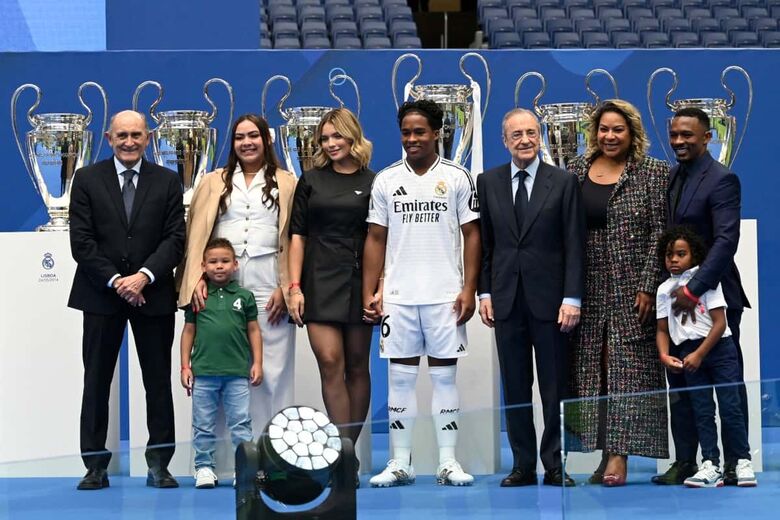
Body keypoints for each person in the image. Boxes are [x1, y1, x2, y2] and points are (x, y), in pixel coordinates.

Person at [363, 100, 481, 487]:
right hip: (398, 297)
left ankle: (448, 462)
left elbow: (472, 235)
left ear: (437, 134)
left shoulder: (458, 177)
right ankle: (401, 463)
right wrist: (372, 290)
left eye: (420, 131)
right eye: (406, 132)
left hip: (445, 296)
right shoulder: (385, 179)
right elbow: (376, 237)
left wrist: (468, 288)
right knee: (399, 380)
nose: (412, 138)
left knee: (445, 379)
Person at [69, 110, 185, 490]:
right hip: (101, 294)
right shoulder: (86, 179)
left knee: (157, 381)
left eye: (136, 134)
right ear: (108, 138)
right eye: (122, 135)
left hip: (153, 295)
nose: (130, 141)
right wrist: (118, 281)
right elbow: (81, 242)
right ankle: (95, 466)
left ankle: (159, 464)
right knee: (97, 380)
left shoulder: (168, 181)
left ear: (148, 138)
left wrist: (143, 277)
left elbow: (175, 239)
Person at [477, 108, 584, 487]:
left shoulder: (564, 181)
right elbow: (486, 246)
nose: (525, 140)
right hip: (506, 301)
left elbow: (574, 244)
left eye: (531, 133)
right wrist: (484, 291)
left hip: (552, 302)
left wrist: (572, 297)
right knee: (516, 386)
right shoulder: (486, 182)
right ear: (504, 141)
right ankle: (522, 464)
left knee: (555, 386)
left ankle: (555, 463)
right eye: (516, 134)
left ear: (540, 137)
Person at [566, 100, 669, 486]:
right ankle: (601, 448)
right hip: (587, 285)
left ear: (632, 133)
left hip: (632, 285)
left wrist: (647, 284)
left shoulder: (654, 172)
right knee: (592, 371)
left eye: (618, 130)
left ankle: (618, 455)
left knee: (628, 371)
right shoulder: (575, 171)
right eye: (604, 129)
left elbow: (660, 231)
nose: (610, 136)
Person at [178, 114, 297, 439]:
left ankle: (273, 448)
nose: (247, 142)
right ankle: (222, 458)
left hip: (268, 278)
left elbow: (296, 238)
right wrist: (197, 279)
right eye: (240, 137)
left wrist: (284, 287)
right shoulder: (213, 180)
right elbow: (196, 235)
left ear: (266, 140)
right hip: (220, 281)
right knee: (218, 367)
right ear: (232, 144)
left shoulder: (287, 181)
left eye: (254, 136)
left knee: (273, 368)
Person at [653, 107, 751, 486]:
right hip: (676, 302)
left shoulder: (723, 179)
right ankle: (689, 461)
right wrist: (675, 290)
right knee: (682, 386)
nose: (679, 141)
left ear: (707, 137)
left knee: (727, 388)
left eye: (687, 135)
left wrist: (694, 290)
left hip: (715, 297)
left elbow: (727, 241)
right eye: (675, 134)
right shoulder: (674, 175)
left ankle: (734, 462)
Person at [288, 108, 375, 446]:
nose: (330, 143)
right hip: (318, 279)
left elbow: (380, 239)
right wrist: (295, 288)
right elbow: (298, 236)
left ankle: (347, 453)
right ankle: (344, 452)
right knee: (329, 361)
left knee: (356, 366)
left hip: (358, 279)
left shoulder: (374, 180)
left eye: (336, 136)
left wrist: (377, 287)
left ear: (352, 136)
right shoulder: (310, 180)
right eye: (324, 138)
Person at [656, 226, 755, 488]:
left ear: (695, 255)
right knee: (702, 411)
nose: (674, 260)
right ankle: (710, 463)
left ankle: (742, 461)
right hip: (689, 354)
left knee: (730, 407)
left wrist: (701, 354)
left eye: (681, 254)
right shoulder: (663, 290)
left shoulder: (706, 282)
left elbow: (720, 323)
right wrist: (665, 356)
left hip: (719, 350)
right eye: (669, 255)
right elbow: (663, 329)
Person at [180, 238, 263, 489]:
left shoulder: (245, 297)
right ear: (203, 266)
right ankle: (204, 467)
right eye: (213, 262)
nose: (219, 266)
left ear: (235, 265)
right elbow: (188, 332)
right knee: (203, 424)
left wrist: (257, 362)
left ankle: (244, 469)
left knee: (241, 423)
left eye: (225, 261)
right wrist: (185, 366)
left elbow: (254, 330)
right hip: (203, 373)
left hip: (237, 373)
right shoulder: (197, 296)